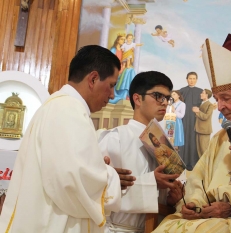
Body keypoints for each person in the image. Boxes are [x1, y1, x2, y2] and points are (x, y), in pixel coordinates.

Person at [153, 34, 231, 233]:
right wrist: (193, 205)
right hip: (206, 218)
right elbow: (198, 179)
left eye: (226, 98)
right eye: (218, 99)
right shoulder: (220, 138)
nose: (219, 107)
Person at [0, 45, 136, 232]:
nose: (112, 95)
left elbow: (63, 168)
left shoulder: (62, 105)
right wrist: (109, 177)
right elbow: (71, 179)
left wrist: (97, 166)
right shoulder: (67, 109)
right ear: (93, 79)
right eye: (111, 85)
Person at [98, 71, 183, 233]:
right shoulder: (115, 138)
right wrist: (152, 182)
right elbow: (98, 192)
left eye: (167, 98)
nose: (164, 103)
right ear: (137, 99)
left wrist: (173, 198)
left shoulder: (166, 146)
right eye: (158, 96)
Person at [179, 72, 203, 170]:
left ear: (196, 80)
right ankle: (182, 162)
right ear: (187, 79)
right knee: (183, 139)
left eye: (194, 78)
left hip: (195, 119)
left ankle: (193, 163)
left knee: (194, 140)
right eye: (190, 78)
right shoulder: (182, 91)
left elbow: (203, 105)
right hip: (183, 119)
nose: (192, 80)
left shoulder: (200, 91)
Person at [192, 89, 214, 157]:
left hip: (204, 131)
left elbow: (206, 117)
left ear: (207, 95)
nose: (201, 94)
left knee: (204, 151)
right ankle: (202, 167)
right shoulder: (201, 103)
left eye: (203, 93)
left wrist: (197, 111)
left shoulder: (210, 105)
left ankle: (206, 166)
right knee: (199, 151)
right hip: (198, 129)